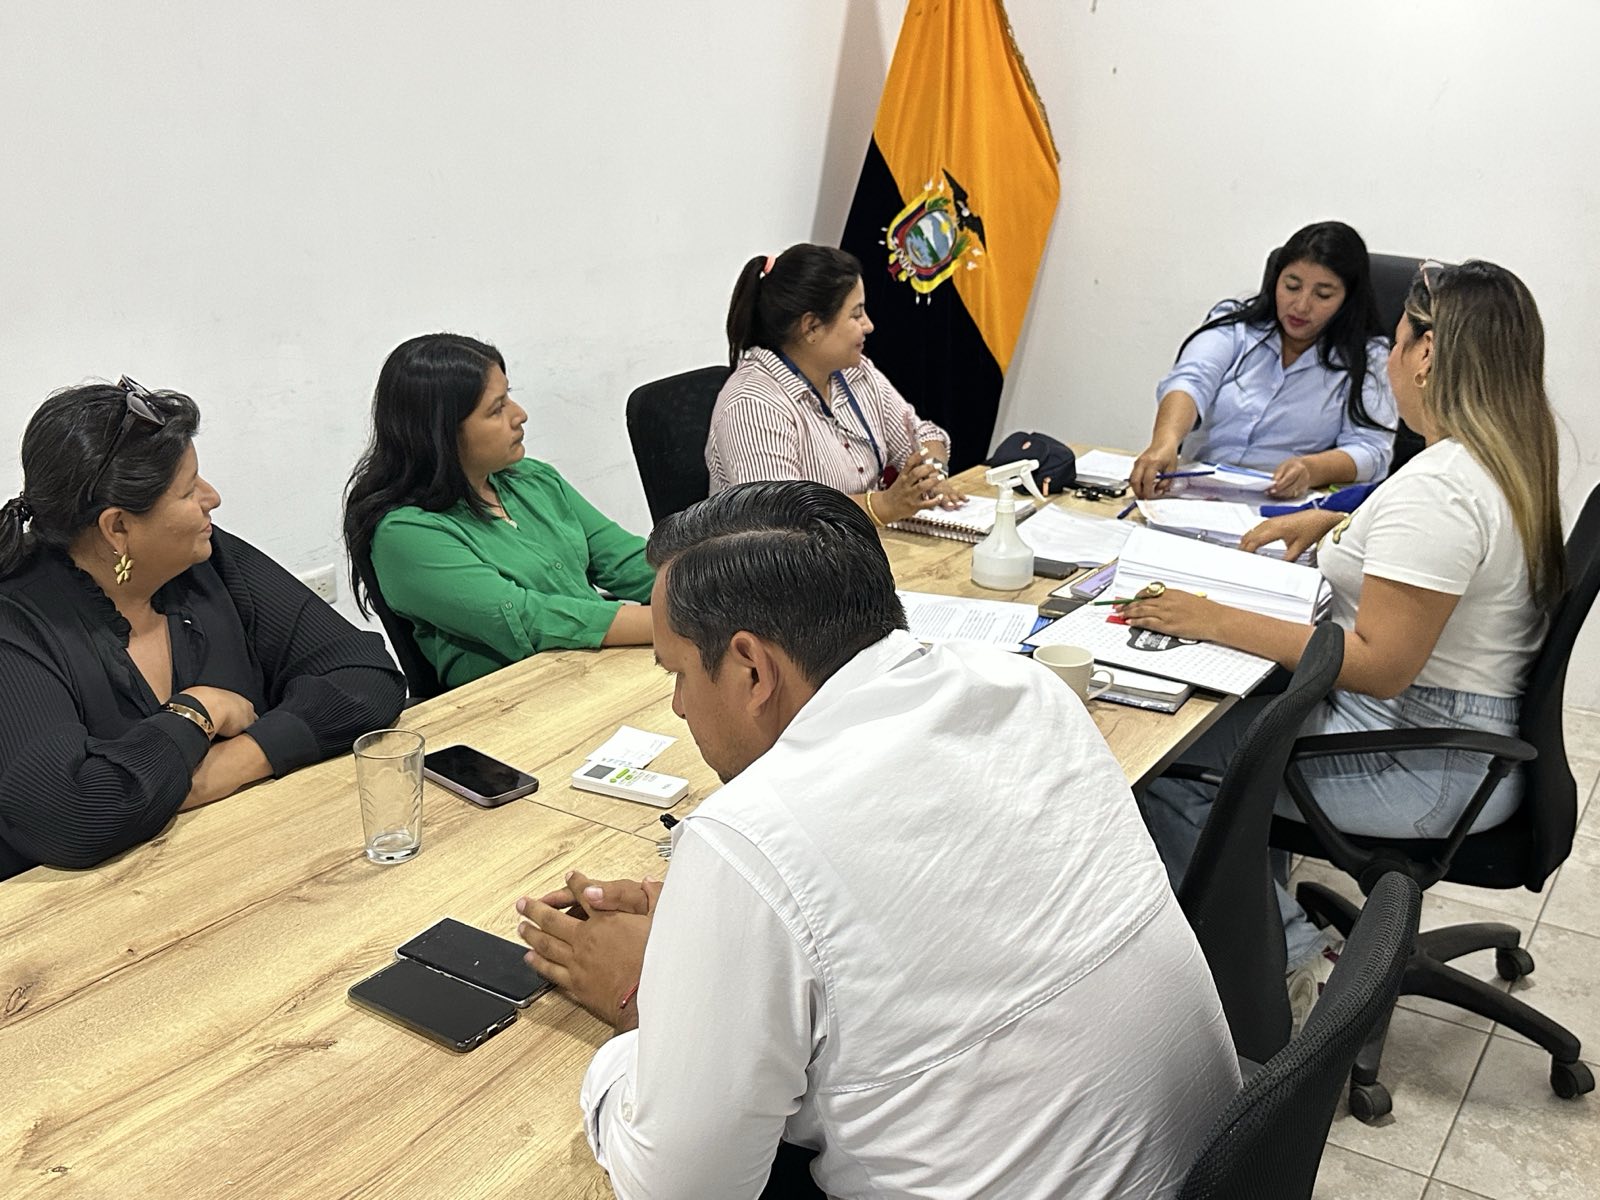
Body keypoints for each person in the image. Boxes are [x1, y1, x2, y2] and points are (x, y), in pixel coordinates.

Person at [515, 481, 1240, 1199]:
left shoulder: (750, 836)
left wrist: (650, 1004)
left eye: (676, 674)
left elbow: (681, 1189)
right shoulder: (1030, 690)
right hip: (1217, 1167)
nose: (677, 705)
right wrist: (715, 939)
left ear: (751, 669)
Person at [1127, 260, 1564, 1028]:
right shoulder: (1497, 457)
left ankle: (1298, 961)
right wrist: (1335, 522)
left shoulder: (1442, 490)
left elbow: (1381, 666)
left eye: (1396, 341)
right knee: (1229, 735)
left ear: (1426, 354)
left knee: (1165, 762)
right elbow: (1436, 560)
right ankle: (1257, 935)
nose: (1388, 358)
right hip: (1462, 739)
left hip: (1422, 756)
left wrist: (1211, 618)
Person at [0, 379, 405, 881]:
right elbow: (71, 815)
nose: (212, 497)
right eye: (189, 489)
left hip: (258, 863)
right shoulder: (16, 621)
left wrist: (215, 771)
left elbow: (367, 677)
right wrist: (197, 712)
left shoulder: (208, 561)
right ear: (117, 527)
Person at [344, 333, 655, 690]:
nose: (519, 415)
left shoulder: (532, 479)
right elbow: (528, 620)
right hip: (520, 697)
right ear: (441, 434)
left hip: (599, 669)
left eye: (509, 396)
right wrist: (671, 623)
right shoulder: (404, 533)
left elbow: (629, 562)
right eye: (496, 409)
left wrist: (703, 589)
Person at [1131, 220, 1398, 500]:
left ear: (1348, 299)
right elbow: (1191, 381)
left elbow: (1372, 450)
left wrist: (1311, 469)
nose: (1301, 305)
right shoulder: (1234, 326)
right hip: (1194, 492)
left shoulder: (1368, 358)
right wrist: (1165, 441)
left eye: (1323, 295)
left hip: (1280, 504)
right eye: (1292, 286)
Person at [706, 243, 963, 530]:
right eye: (856, 314)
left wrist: (931, 474)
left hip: (859, 544)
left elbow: (922, 436)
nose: (869, 325)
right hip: (784, 557)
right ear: (812, 327)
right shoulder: (752, 404)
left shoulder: (855, 372)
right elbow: (782, 520)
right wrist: (884, 505)